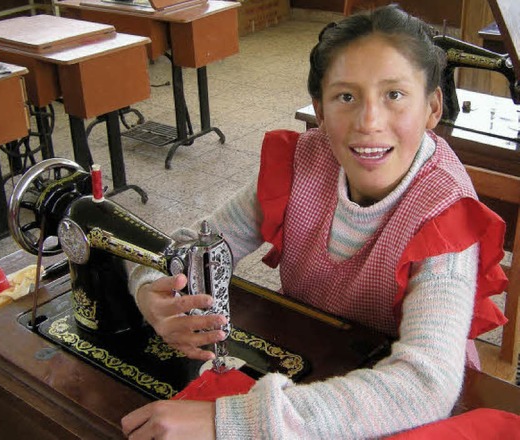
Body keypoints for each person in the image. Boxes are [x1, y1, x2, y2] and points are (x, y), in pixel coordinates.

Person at [121, 5, 508, 439]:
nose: (369, 122)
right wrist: (149, 293)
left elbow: (425, 382)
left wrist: (230, 421)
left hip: (399, 406)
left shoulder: (445, 210)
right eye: (346, 96)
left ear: (433, 107)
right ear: (319, 111)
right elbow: (190, 245)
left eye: (394, 95)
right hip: (317, 358)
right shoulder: (302, 163)